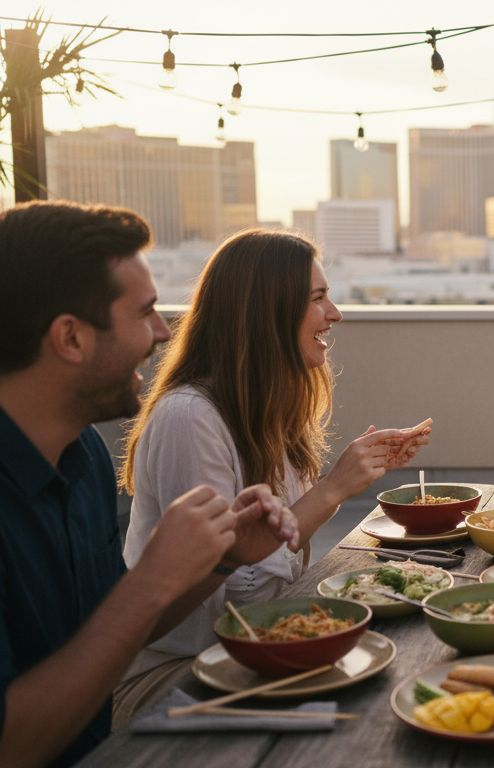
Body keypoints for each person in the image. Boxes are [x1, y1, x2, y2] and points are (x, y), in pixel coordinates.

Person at [0, 201, 301, 768]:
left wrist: (221, 560)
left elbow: (117, 628)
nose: (164, 333)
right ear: (70, 338)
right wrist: (152, 580)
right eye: (144, 314)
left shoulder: (81, 453)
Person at [115, 229, 431, 720]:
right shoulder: (190, 418)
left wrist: (346, 475)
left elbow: (269, 566)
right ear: (268, 312)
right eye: (318, 298)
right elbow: (235, 591)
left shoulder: (269, 410)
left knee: (410, 672)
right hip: (174, 677)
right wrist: (332, 489)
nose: (335, 314)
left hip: (254, 654)